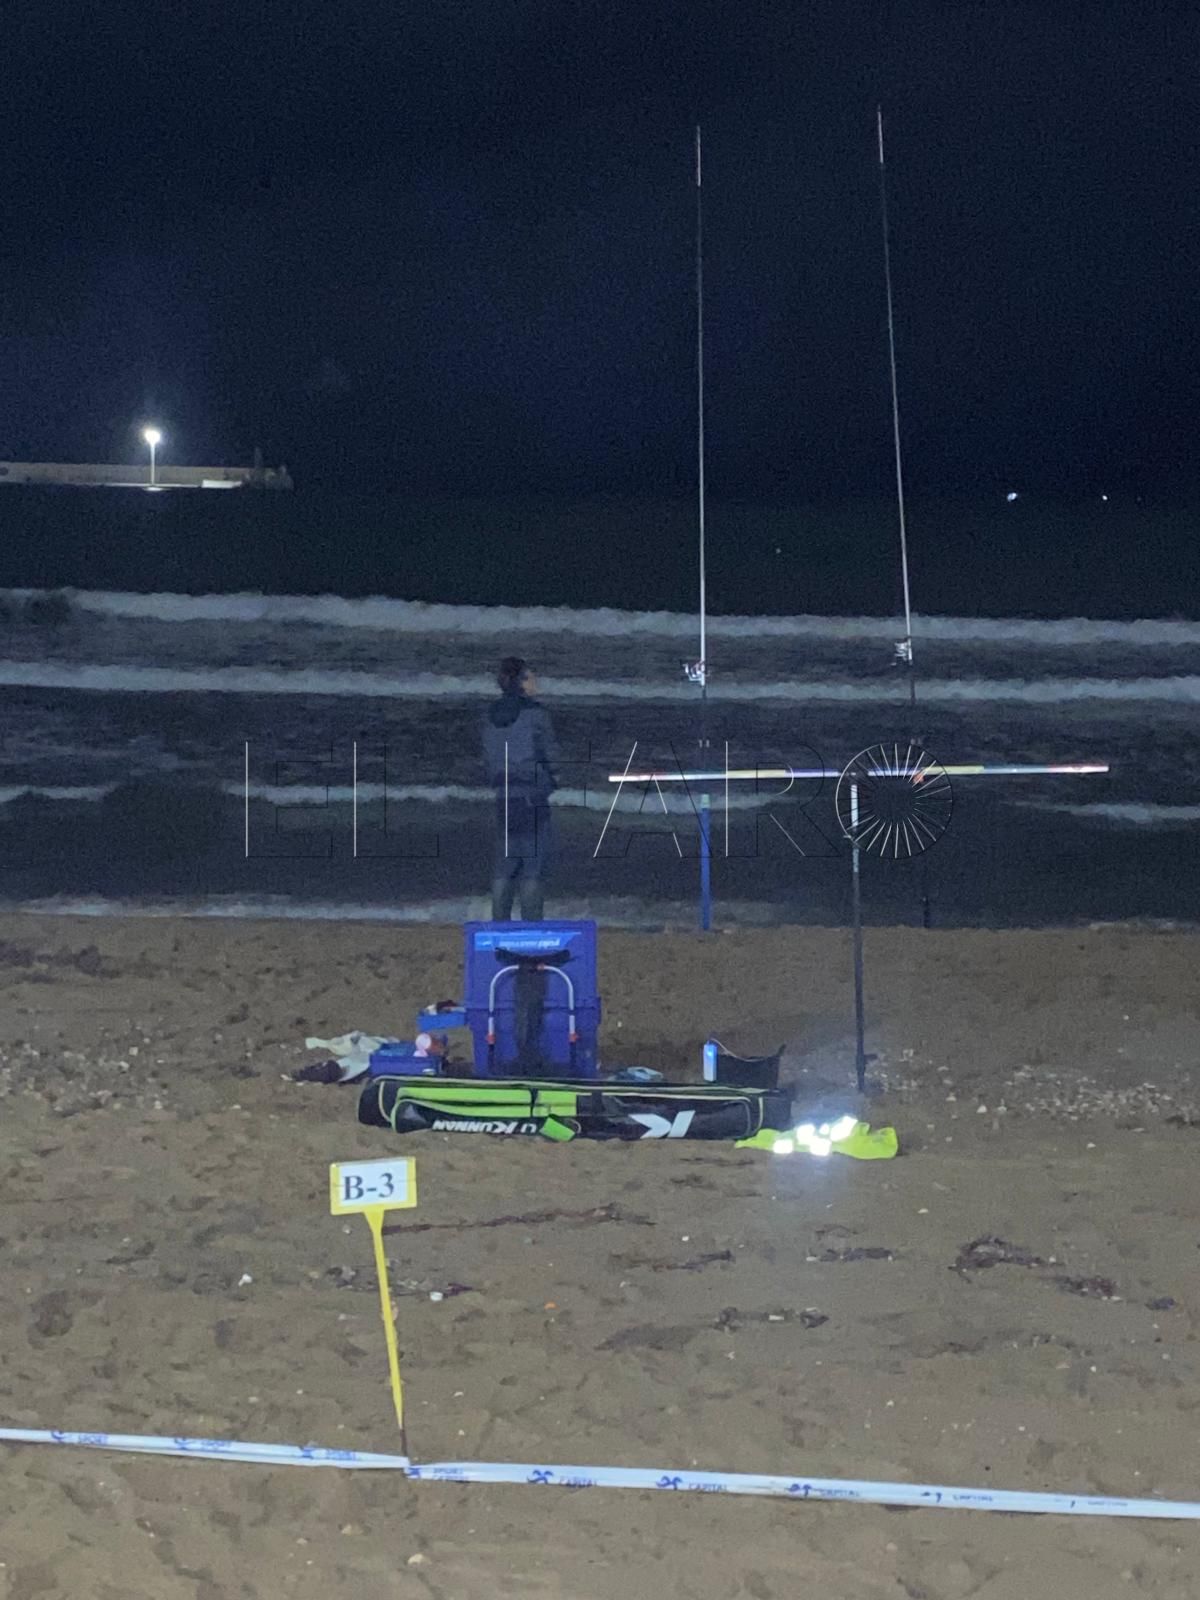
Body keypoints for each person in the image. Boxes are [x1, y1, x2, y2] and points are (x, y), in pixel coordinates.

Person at [482, 656, 559, 920]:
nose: (535, 682)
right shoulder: (536, 715)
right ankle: (531, 927)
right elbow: (550, 755)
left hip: (504, 795)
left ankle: (499, 925)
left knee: (505, 865)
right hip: (532, 794)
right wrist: (551, 780)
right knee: (532, 868)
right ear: (521, 681)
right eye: (531, 677)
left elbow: (488, 756)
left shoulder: (490, 715)